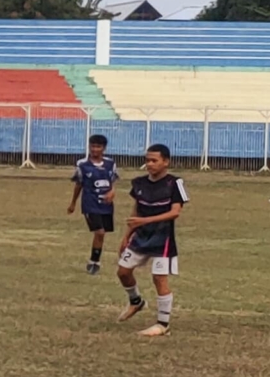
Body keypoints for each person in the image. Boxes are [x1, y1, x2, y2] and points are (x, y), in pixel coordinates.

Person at [116, 143, 186, 337]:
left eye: (154, 160)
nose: (149, 164)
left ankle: (163, 325)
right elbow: (136, 211)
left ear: (166, 162)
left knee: (159, 278)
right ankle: (136, 301)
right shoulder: (139, 183)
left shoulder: (175, 183)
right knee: (123, 272)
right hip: (141, 236)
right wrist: (127, 236)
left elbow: (175, 212)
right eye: (147, 160)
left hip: (162, 239)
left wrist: (145, 220)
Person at [68, 134, 119, 275]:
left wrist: (112, 191)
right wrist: (73, 203)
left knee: (102, 235)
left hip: (106, 205)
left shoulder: (110, 164)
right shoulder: (82, 164)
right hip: (90, 204)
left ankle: (94, 260)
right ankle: (94, 263)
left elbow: (112, 180)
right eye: (92, 146)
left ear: (104, 148)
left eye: (98, 146)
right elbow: (78, 184)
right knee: (99, 231)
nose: (95, 149)